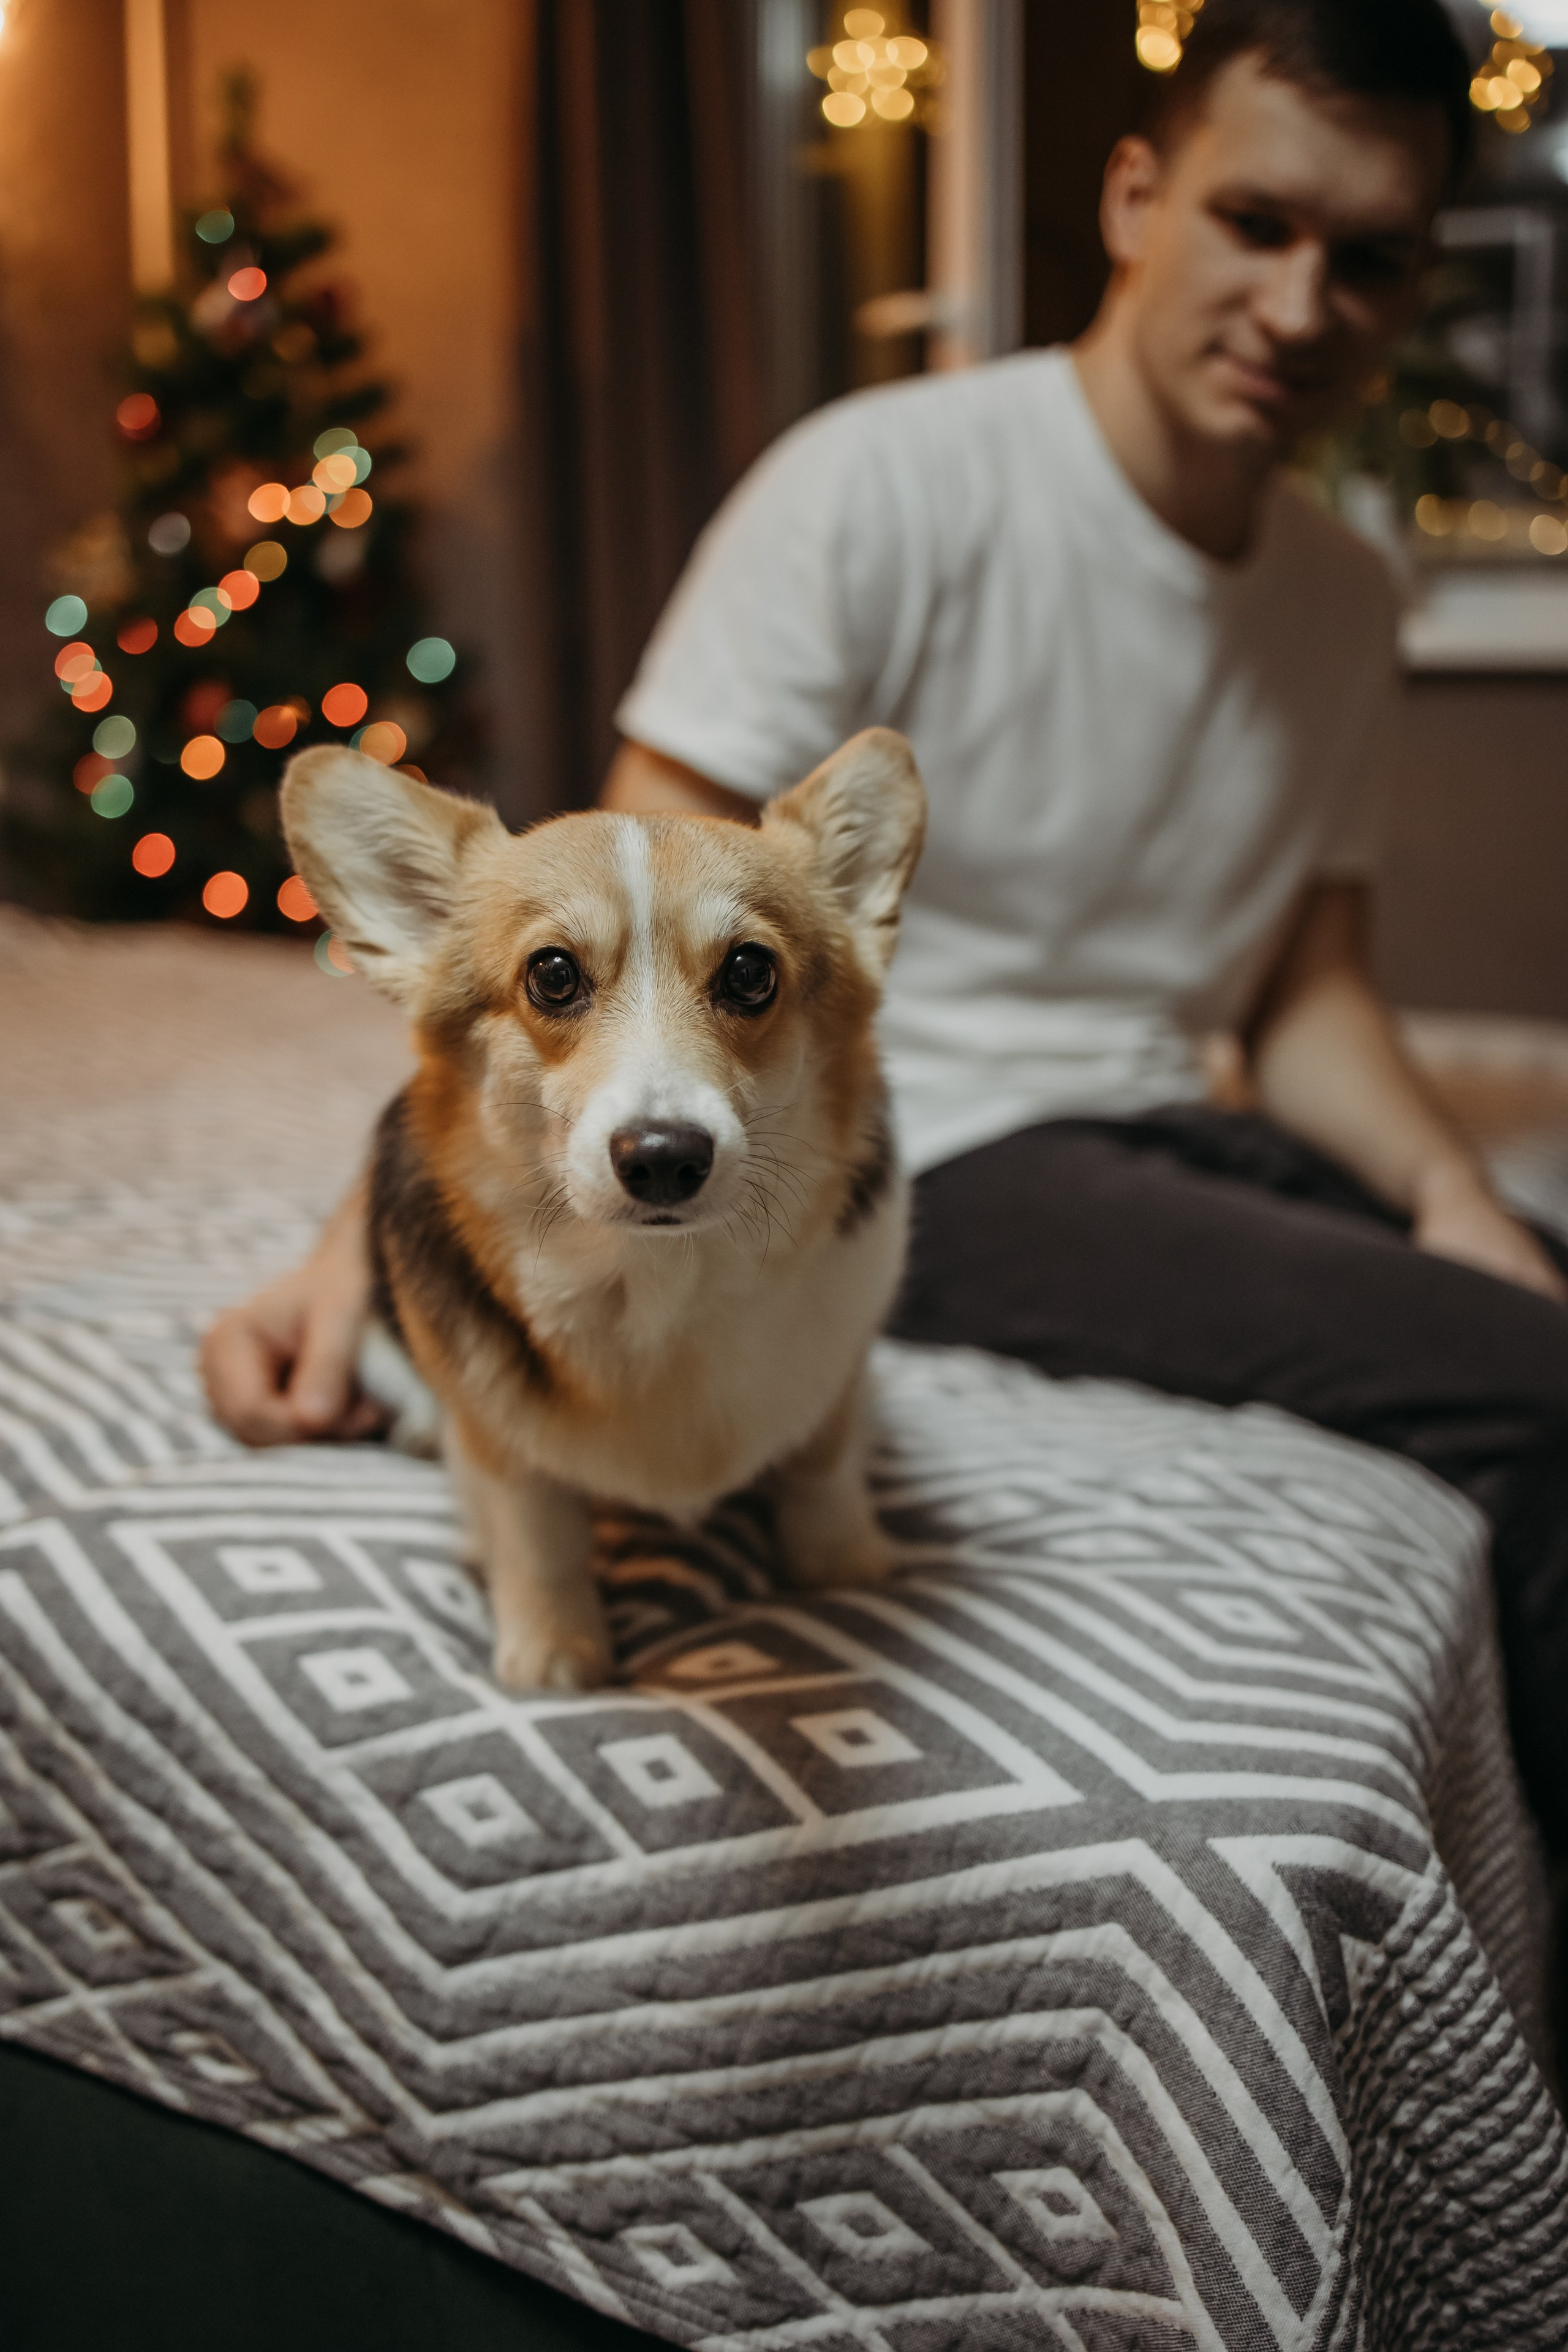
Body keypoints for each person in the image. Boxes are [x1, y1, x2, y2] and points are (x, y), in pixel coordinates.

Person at [202, 0, 1568, 1851]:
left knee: (1531, 1274)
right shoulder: (878, 481)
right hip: (964, 1145)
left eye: (1376, 258)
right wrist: (362, 1251)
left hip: (1178, 1112)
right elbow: (607, 949)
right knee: (1540, 1394)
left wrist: (1453, 1196)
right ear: (1137, 191)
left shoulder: (1342, 590)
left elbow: (1304, 980)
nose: (1310, 303)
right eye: (1262, 223)